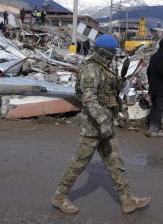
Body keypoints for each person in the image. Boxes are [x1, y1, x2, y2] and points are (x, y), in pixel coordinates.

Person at [51, 34, 150, 214]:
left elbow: (108, 94)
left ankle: (127, 199)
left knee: (115, 161)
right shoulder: (91, 69)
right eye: (112, 53)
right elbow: (89, 100)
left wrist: (119, 108)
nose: (113, 56)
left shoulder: (105, 69)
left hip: (106, 126)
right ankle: (59, 196)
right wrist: (103, 122)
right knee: (79, 163)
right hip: (93, 127)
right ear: (104, 52)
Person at [146, 38, 163, 137]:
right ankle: (156, 130)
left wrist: (151, 81)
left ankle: (152, 128)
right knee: (159, 109)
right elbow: (160, 68)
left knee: (154, 107)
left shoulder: (154, 56)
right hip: (160, 87)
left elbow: (148, 71)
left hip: (153, 86)